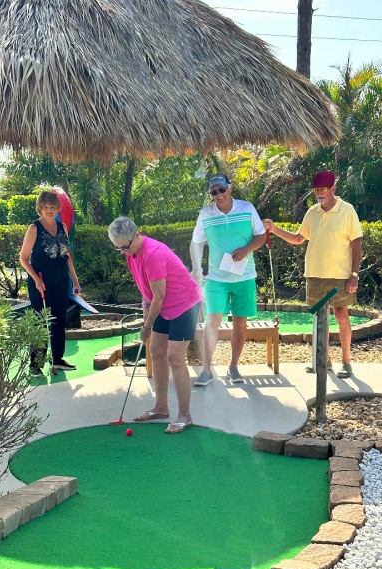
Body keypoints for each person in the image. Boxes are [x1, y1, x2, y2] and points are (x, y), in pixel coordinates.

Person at [263, 170, 363, 378]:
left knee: (341, 315)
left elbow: (357, 243)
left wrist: (354, 274)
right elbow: (298, 238)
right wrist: (274, 229)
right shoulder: (312, 212)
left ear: (333, 189)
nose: (319, 193)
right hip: (315, 274)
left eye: (323, 189)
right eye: (317, 190)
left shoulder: (347, 210)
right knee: (320, 317)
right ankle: (323, 360)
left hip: (340, 275)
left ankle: (346, 363)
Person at [108, 216, 202, 434]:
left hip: (184, 305)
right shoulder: (131, 253)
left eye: (125, 247)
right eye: (119, 249)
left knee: (175, 358)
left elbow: (159, 296)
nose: (123, 252)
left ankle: (185, 416)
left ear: (137, 235)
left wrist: (146, 326)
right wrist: (145, 310)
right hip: (163, 305)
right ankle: (161, 408)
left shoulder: (153, 254)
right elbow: (146, 289)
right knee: (156, 351)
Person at [190, 173, 266, 386]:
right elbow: (196, 242)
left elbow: (261, 235)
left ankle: (233, 367)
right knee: (212, 321)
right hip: (216, 279)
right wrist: (197, 268)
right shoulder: (205, 214)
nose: (218, 194)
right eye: (214, 192)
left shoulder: (247, 208)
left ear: (229, 188)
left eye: (222, 189)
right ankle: (206, 370)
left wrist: (246, 249)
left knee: (240, 324)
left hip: (245, 276)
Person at [20, 191, 81, 375]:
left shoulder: (62, 226)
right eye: (45, 207)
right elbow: (23, 258)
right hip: (41, 284)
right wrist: (36, 279)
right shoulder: (34, 228)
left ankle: (57, 359)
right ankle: (35, 365)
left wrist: (75, 280)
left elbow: (66, 256)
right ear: (40, 208)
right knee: (41, 321)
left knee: (59, 320)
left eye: (52, 207)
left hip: (61, 281)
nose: (49, 210)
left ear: (57, 208)